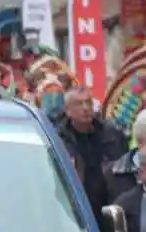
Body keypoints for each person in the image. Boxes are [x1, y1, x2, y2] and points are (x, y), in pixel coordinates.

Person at [54, 85, 128, 222]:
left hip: (111, 205)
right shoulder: (59, 140)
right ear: (68, 111)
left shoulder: (110, 132)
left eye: (88, 102)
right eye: (79, 104)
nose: (86, 108)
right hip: (78, 208)